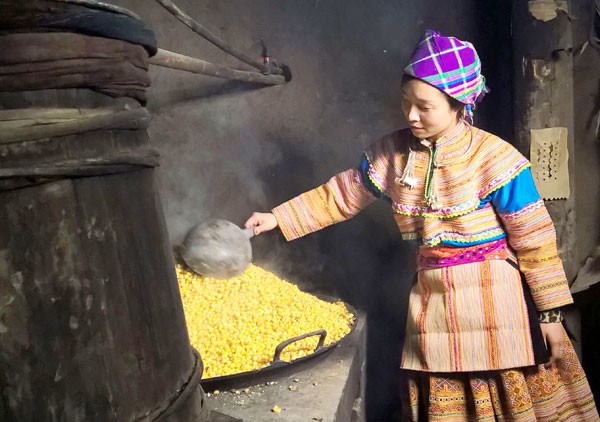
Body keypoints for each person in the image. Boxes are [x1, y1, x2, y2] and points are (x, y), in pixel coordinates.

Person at [245, 30, 599, 421]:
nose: (411, 115)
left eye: (425, 107)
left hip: (495, 303)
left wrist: (550, 317)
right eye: (406, 102)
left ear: (459, 105)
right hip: (432, 301)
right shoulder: (391, 156)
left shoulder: (497, 160)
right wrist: (278, 216)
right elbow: (341, 195)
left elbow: (535, 242)